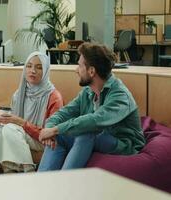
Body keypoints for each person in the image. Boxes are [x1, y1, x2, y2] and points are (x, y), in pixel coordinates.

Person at [38, 43, 146, 171]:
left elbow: (95, 121)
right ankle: (43, 183)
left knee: (86, 133)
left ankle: (65, 183)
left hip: (124, 144)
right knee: (59, 137)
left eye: (79, 65)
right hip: (100, 137)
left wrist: (56, 129)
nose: (76, 70)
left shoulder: (120, 95)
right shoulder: (88, 91)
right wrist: (50, 129)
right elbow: (64, 113)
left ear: (91, 71)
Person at [0, 51, 63, 173]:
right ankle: (3, 170)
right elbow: (14, 124)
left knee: (10, 129)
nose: (32, 71)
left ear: (45, 71)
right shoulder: (19, 93)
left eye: (39, 67)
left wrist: (20, 122)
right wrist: (4, 121)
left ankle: (27, 171)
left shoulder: (54, 97)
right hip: (20, 134)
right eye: (29, 66)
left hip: (42, 139)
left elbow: (51, 134)